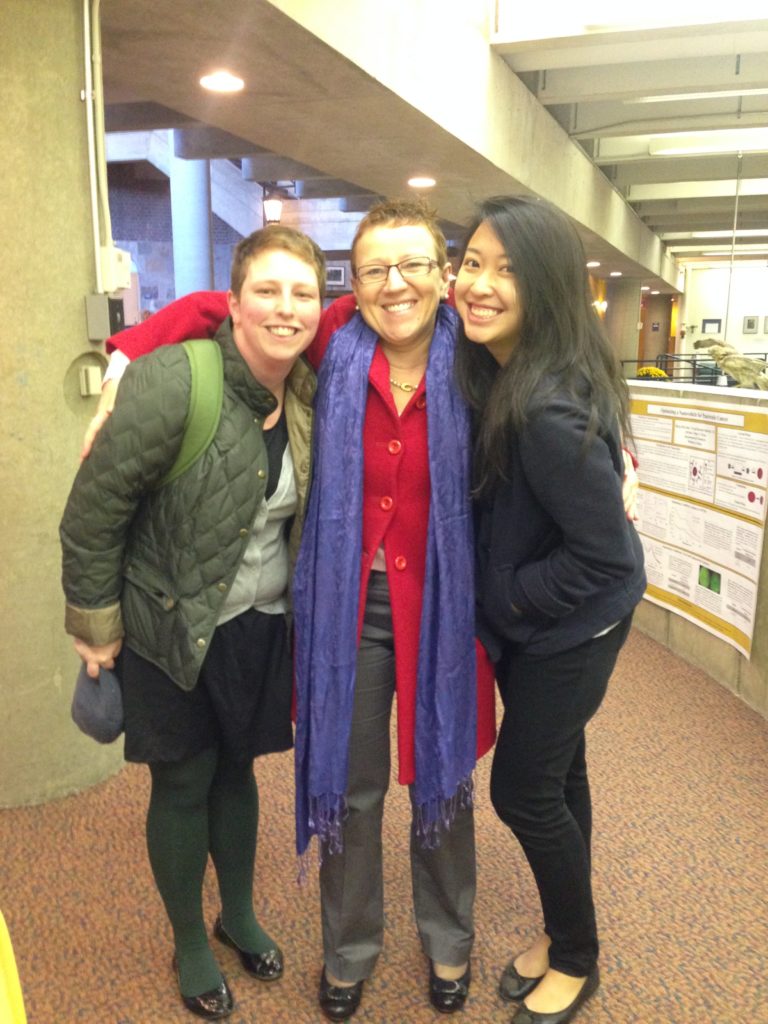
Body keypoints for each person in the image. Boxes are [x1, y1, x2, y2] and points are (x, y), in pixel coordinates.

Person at [89, 199, 498, 1020]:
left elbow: (568, 391)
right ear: (356, 283)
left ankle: (448, 940)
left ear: (444, 275)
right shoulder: (334, 342)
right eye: (376, 268)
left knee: (442, 780)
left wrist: (619, 452)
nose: (397, 284)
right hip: (346, 609)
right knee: (350, 789)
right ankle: (348, 952)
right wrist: (129, 350)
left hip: (447, 606)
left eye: (415, 265)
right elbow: (226, 306)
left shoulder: (484, 360)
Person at [60, 224, 323, 1021]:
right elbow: (93, 513)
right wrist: (95, 621)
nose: (286, 308)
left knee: (238, 770)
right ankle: (188, 941)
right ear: (232, 303)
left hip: (256, 624)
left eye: (303, 293)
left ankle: (236, 912)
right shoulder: (179, 380)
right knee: (183, 781)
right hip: (169, 623)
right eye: (268, 291)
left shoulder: (307, 390)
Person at [452, 196, 647, 1024]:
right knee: (560, 772)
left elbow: (607, 556)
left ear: (548, 288)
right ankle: (563, 930)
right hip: (543, 620)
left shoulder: (543, 405)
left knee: (523, 790)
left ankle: (577, 956)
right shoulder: (516, 367)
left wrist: (505, 596)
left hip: (575, 620)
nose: (479, 286)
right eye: (472, 264)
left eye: (507, 272)